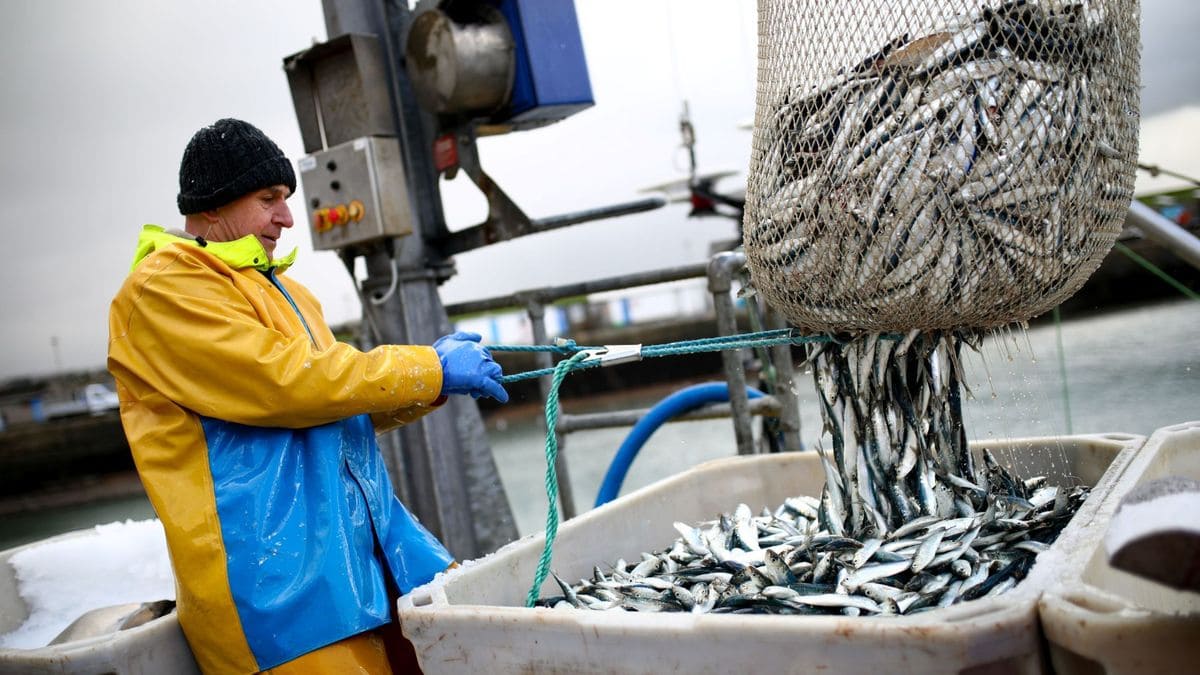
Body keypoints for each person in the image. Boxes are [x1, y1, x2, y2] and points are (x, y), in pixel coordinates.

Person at [107, 118, 508, 674]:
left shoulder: (289, 292)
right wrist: (427, 367)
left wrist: (431, 383)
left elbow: (329, 401)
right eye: (269, 198)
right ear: (215, 204)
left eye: (288, 199)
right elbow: (286, 382)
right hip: (281, 596)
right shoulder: (162, 290)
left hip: (376, 565)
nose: (288, 217)